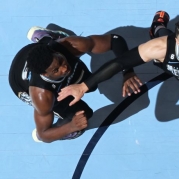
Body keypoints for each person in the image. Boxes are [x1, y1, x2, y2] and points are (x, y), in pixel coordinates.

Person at [8, 26, 140, 143]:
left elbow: (115, 40)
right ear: (46, 74)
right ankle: (64, 129)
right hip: (21, 84)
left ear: (56, 53)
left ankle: (47, 38)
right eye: (56, 70)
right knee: (83, 117)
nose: (64, 68)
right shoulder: (42, 96)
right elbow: (43, 135)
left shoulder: (70, 46)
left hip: (40, 51)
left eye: (60, 61)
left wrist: (127, 71)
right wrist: (71, 126)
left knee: (91, 85)